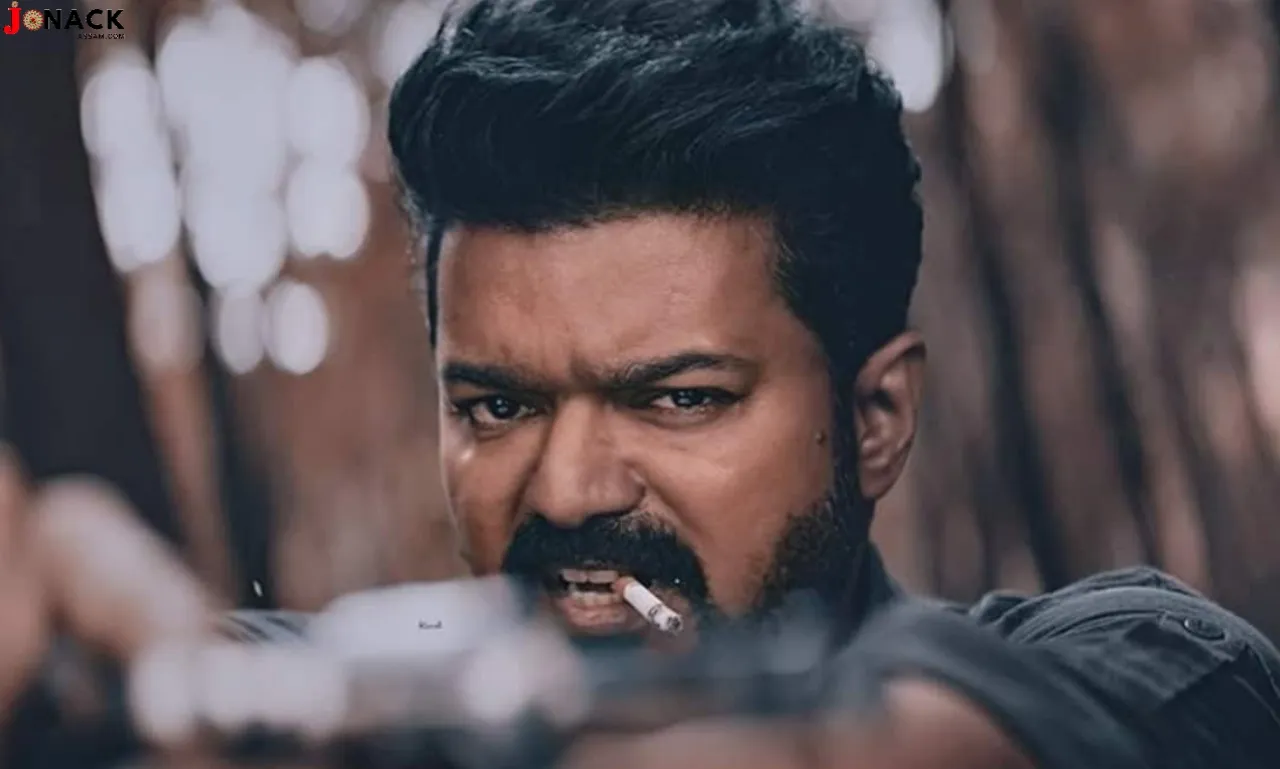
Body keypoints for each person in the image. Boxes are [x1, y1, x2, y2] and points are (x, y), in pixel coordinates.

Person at [377, 0, 1280, 767]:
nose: (568, 491)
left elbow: (1161, 695)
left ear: (877, 417)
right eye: (498, 407)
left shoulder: (1128, 658)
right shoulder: (368, 713)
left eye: (682, 398)